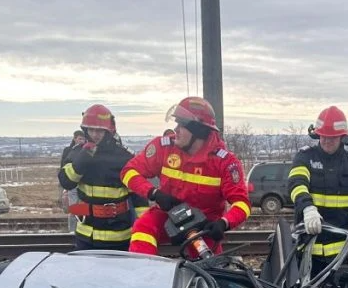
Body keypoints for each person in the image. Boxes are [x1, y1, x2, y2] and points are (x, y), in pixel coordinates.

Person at [120, 96, 251, 257]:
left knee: (207, 267)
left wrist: (223, 223)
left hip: (204, 225)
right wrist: (154, 193)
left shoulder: (225, 163)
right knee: (144, 227)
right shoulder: (164, 148)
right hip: (168, 214)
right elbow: (128, 172)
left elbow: (242, 204)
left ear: (198, 131)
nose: (176, 130)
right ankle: (143, 273)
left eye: (182, 125)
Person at [285, 106, 348, 276]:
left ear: (342, 137)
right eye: (324, 136)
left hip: (338, 254)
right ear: (317, 135)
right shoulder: (305, 157)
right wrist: (307, 208)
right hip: (307, 248)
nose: (327, 141)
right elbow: (296, 184)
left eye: (332, 138)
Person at [58, 105, 137, 251]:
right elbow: (66, 182)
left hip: (118, 236)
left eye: (99, 130)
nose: (94, 134)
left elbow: (138, 196)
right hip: (85, 235)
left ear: (108, 131)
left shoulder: (124, 157)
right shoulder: (77, 153)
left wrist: (142, 230)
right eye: (91, 130)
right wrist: (82, 160)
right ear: (85, 130)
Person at [60, 130, 86, 233]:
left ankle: (80, 229)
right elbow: (63, 167)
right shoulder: (69, 151)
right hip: (72, 184)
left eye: (83, 139)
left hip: (83, 183)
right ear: (75, 139)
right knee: (74, 208)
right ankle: (72, 231)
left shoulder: (85, 150)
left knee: (82, 207)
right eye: (79, 139)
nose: (81, 141)